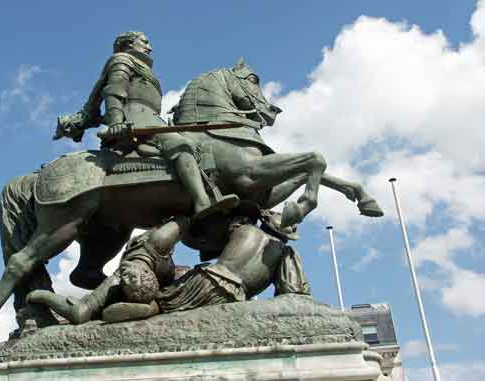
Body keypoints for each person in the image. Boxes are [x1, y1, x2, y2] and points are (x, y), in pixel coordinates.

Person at [57, 31, 239, 220]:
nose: (149, 47)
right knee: (183, 147)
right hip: (136, 118)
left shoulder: (143, 68)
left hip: (151, 118)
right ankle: (202, 202)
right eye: (144, 42)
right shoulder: (122, 60)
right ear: (128, 45)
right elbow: (114, 90)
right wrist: (117, 122)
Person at [26, 210, 310, 324]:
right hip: (236, 294)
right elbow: (293, 291)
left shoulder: (244, 229)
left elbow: (209, 235)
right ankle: (145, 308)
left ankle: (146, 308)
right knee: (174, 287)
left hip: (209, 279)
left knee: (166, 300)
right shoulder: (286, 253)